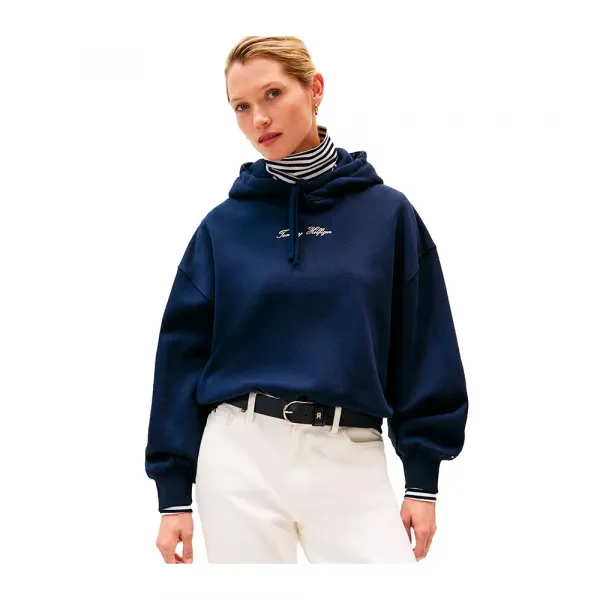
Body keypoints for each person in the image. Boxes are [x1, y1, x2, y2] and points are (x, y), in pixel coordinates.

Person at [145, 35, 468, 564]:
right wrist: (172, 493)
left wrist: (422, 480)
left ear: (314, 89)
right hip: (238, 456)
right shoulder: (224, 227)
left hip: (350, 455)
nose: (258, 119)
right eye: (241, 106)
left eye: (272, 94)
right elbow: (180, 357)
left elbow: (424, 345)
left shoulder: (387, 216)